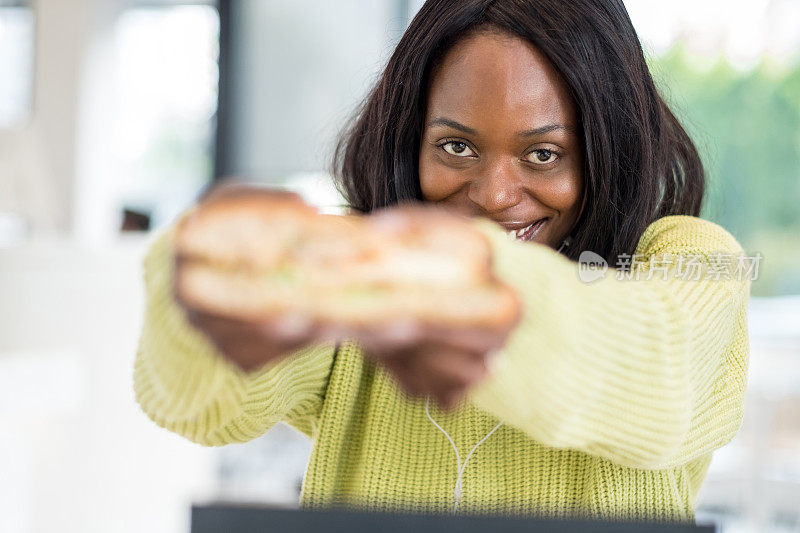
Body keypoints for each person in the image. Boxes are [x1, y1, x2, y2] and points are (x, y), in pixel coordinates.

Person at [133, 0, 750, 522]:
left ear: (606, 148)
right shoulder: (366, 275)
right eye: (456, 147)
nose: (494, 196)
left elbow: (661, 376)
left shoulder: (690, 261)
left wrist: (445, 282)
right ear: (413, 143)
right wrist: (193, 277)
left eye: (543, 154)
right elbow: (208, 406)